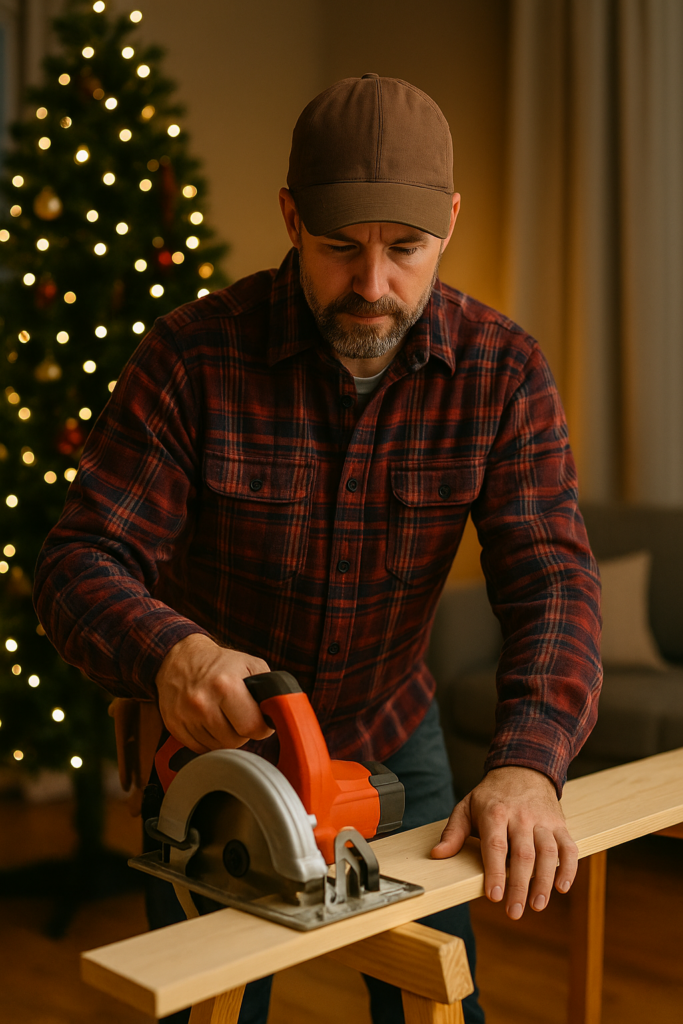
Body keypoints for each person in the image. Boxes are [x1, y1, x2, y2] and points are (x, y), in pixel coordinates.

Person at [34, 75, 601, 1024]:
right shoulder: (189, 359)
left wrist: (527, 762)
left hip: (393, 740)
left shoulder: (503, 372)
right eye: (341, 249)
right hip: (219, 759)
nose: (373, 288)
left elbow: (551, 579)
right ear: (292, 218)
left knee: (438, 1006)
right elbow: (78, 561)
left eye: (404, 250)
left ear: (449, 226)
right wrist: (174, 656)